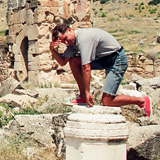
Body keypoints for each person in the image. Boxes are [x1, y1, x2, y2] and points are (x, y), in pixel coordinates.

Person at [49, 24, 152, 117]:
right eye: (63, 42)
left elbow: (86, 68)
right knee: (74, 61)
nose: (66, 42)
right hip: (103, 59)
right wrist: (52, 49)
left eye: (65, 38)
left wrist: (87, 90)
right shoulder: (72, 43)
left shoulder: (83, 38)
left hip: (117, 60)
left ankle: (142, 101)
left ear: (69, 30)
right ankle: (83, 96)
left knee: (107, 101)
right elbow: (63, 62)